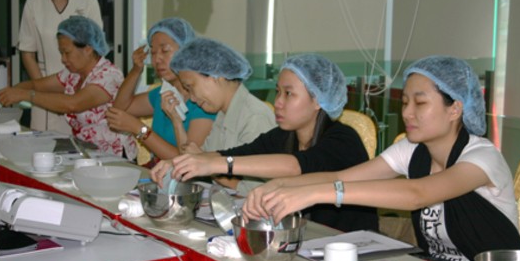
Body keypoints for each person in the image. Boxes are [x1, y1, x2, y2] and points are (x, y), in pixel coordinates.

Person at [244, 55, 520, 261]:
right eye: (404, 102)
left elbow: (418, 194)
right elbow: (345, 176)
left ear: (455, 108)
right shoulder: (413, 150)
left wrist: (317, 193)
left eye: (420, 103)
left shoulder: (482, 157)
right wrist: (278, 186)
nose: (407, 112)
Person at [152, 54, 379, 232]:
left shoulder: (343, 140)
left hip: (345, 245)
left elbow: (296, 166)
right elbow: (237, 154)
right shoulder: (281, 136)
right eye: (277, 92)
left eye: (289, 94)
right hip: (304, 240)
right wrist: (182, 162)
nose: (278, 103)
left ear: (318, 100)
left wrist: (213, 165)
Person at [0, 16, 136, 158]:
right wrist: (9, 92)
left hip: (113, 155)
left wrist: (27, 95)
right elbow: (36, 85)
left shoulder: (109, 75)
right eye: (61, 53)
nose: (63, 59)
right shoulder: (73, 74)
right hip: (87, 151)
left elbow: (73, 104)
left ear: (88, 49)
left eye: (67, 52)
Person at [150, 37, 276, 187]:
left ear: (216, 75)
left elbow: (254, 188)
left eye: (190, 87)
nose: (192, 98)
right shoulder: (223, 114)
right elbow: (199, 157)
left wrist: (207, 166)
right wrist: (176, 124)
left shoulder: (255, 117)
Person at [17, 0, 103, 134]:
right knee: (43, 149)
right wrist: (40, 86)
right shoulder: (33, 4)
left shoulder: (88, 3)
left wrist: (80, 88)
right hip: (45, 89)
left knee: (77, 148)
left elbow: (95, 52)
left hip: (80, 90)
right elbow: (27, 52)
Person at [106, 18, 216, 164]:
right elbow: (120, 109)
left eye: (165, 51)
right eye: (153, 52)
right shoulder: (163, 93)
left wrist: (140, 129)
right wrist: (136, 70)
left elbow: (188, 160)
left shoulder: (202, 102)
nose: (157, 59)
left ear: (186, 52)